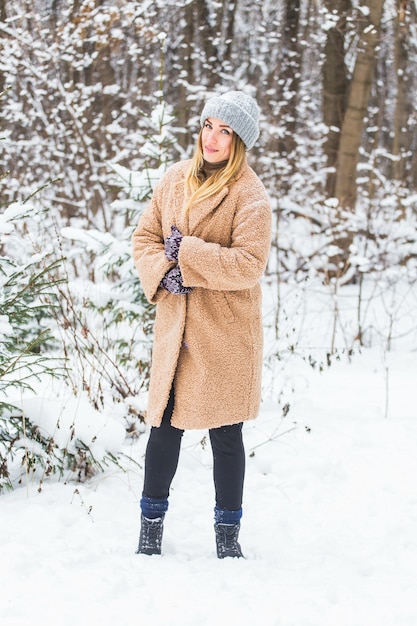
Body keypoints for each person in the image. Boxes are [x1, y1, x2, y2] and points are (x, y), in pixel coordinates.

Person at [132, 90, 272, 558]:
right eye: (209, 126)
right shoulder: (174, 180)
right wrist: (166, 272)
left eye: (225, 131)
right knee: (164, 429)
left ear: (239, 142)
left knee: (226, 437)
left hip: (225, 335)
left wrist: (187, 254)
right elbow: (146, 237)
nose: (212, 139)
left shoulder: (250, 195)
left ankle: (227, 540)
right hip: (177, 331)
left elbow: (250, 264)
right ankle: (149, 533)